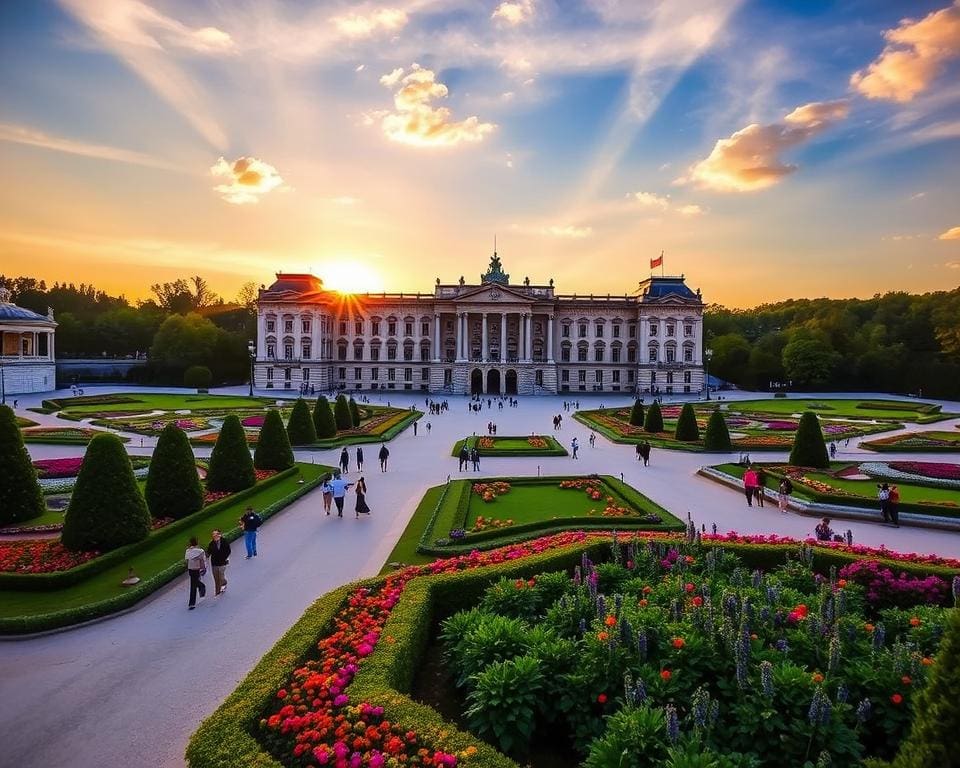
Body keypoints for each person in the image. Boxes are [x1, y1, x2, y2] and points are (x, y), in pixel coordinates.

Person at [206, 529, 231, 596]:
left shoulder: (224, 541)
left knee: (221, 576)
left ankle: (224, 583)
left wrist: (224, 558)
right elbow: (208, 552)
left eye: (216, 534)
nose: (214, 535)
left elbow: (228, 550)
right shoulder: (211, 543)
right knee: (216, 578)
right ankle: (217, 592)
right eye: (213, 534)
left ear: (219, 534)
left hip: (222, 562)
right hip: (214, 563)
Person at [185, 536, 207, 609]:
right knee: (194, 583)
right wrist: (203, 568)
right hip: (196, 569)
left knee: (193, 585)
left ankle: (191, 603)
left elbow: (187, 560)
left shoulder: (188, 551)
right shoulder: (200, 551)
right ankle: (201, 586)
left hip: (191, 569)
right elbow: (202, 561)